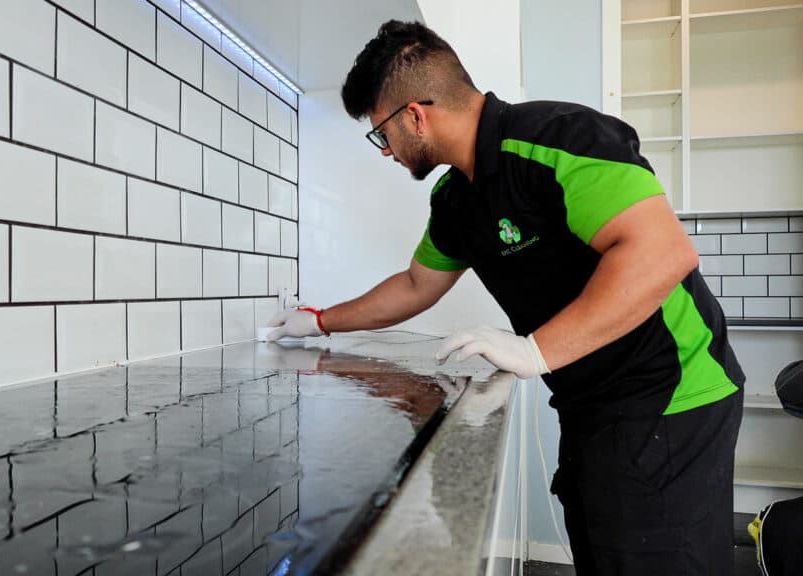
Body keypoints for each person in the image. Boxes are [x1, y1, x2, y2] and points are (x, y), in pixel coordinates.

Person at [266, 20, 745, 576]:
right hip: (591, 404)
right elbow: (417, 284)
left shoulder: (559, 137)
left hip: (671, 396)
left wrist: (535, 352)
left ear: (415, 117)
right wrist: (320, 320)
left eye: (382, 135)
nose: (386, 152)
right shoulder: (455, 200)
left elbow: (662, 253)